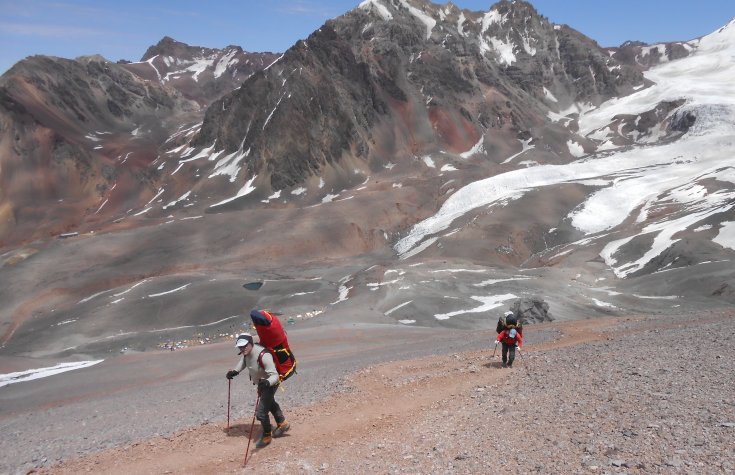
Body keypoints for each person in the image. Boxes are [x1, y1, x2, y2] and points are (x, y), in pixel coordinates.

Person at [226, 333, 290, 447]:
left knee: (261, 413)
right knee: (270, 403)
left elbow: (274, 376)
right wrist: (235, 371)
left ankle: (267, 435)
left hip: (270, 383)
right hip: (262, 383)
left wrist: (267, 382)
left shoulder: (264, 355)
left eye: (244, 346)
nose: (242, 348)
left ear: (250, 343)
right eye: (240, 347)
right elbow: (244, 361)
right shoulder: (247, 353)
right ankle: (282, 423)